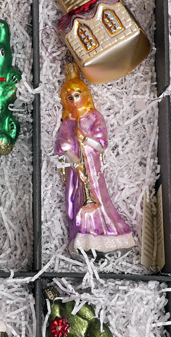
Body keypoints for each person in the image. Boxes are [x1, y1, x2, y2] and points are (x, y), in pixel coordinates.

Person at [55, 62, 135, 256]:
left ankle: (107, 233)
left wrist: (85, 139)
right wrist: (75, 163)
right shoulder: (68, 122)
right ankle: (82, 236)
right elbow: (63, 146)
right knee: (76, 200)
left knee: (98, 196)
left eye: (77, 95)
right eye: (70, 97)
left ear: (85, 95)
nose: (74, 100)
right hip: (77, 169)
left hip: (93, 165)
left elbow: (101, 144)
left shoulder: (94, 116)